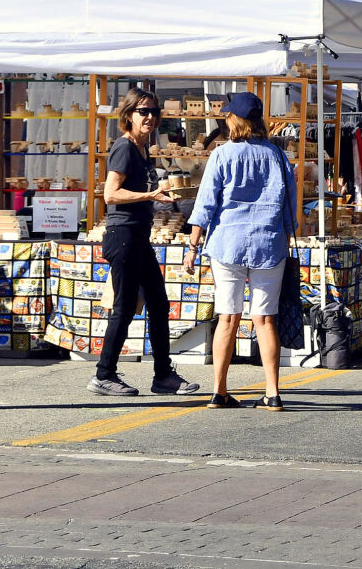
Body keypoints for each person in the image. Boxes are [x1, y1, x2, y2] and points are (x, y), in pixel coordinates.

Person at [185, 92, 297, 408]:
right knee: (265, 320)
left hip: (227, 242)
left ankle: (218, 391)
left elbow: (206, 204)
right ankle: (273, 393)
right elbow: (289, 206)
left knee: (227, 317)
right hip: (268, 242)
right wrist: (288, 235)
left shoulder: (222, 156)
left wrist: (193, 245)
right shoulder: (278, 157)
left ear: (235, 119)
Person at [93, 87, 201, 398]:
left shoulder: (144, 150)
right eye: (143, 111)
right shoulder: (125, 148)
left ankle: (163, 375)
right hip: (123, 235)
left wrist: (161, 198)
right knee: (124, 308)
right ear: (128, 115)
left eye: (154, 111)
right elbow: (110, 194)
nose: (150, 117)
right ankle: (104, 374)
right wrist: (149, 195)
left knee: (158, 303)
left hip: (138, 235)